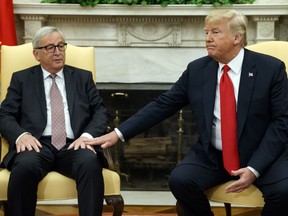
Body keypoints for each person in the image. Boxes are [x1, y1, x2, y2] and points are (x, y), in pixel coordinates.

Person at [80, 9, 288, 216]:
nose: (207, 39)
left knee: (283, 192)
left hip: (262, 155)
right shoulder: (198, 70)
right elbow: (163, 104)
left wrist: (254, 168)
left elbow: (282, 122)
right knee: (181, 180)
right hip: (214, 156)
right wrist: (118, 134)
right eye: (206, 32)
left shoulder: (270, 69)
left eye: (215, 32)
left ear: (237, 37)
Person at [0, 26, 110, 216]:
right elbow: (4, 115)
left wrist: (86, 136)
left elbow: (100, 112)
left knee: (90, 163)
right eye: (50, 48)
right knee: (24, 167)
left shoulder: (83, 77)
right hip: (37, 145)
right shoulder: (22, 79)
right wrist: (21, 136)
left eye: (61, 46)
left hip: (74, 144)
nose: (58, 52)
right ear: (36, 54)